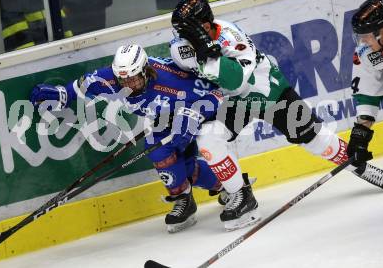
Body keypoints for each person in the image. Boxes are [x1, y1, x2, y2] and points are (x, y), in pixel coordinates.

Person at [168, 0, 383, 209]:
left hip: (266, 90)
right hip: (231, 101)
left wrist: (206, 55)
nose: (181, 37)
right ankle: (240, 195)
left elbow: (235, 80)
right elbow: (186, 77)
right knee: (209, 138)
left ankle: (361, 168)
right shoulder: (179, 46)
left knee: (317, 140)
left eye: (188, 31)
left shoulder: (231, 36)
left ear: (205, 26)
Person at [29, 44, 256, 233]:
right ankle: (185, 200)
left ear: (146, 71)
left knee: (206, 145)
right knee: (160, 153)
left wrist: (194, 114)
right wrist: (61, 94)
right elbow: (83, 85)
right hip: (166, 119)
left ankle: (235, 187)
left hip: (201, 113)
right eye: (123, 81)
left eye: (134, 80)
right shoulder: (112, 79)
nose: (128, 85)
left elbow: (219, 91)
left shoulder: (173, 80)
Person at [349, 0, 383, 171]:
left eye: (367, 36)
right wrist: (360, 136)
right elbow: (368, 96)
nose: (363, 42)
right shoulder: (367, 54)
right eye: (360, 37)